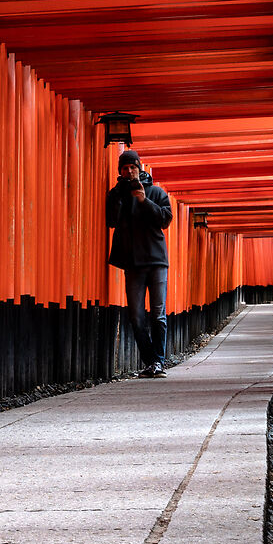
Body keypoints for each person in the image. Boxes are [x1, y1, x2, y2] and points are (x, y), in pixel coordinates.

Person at [106, 146, 174, 376]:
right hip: (133, 263)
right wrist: (120, 194)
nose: (129, 171)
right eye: (124, 168)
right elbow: (111, 221)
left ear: (139, 167)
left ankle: (159, 361)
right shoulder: (117, 194)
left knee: (158, 313)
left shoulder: (156, 192)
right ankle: (151, 361)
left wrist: (144, 200)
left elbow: (165, 220)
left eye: (132, 167)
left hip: (156, 261)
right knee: (135, 316)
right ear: (120, 171)